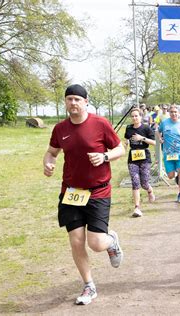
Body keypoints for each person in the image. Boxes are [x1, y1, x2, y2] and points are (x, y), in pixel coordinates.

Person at [43, 84, 125, 305]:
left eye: (77, 99)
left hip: (98, 191)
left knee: (96, 243)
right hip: (70, 192)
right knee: (76, 241)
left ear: (86, 101)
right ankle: (89, 285)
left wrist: (105, 157)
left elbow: (120, 148)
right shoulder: (60, 129)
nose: (73, 103)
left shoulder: (100, 123)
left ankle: (111, 242)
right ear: (66, 102)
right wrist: (48, 164)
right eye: (69, 99)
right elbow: (51, 152)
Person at [124, 108, 157, 217]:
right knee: (135, 181)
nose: (134, 118)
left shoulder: (146, 128)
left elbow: (154, 142)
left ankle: (149, 190)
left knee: (144, 183)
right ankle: (137, 207)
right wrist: (125, 144)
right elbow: (126, 140)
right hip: (132, 158)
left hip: (144, 158)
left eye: (136, 116)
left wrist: (141, 138)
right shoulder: (129, 128)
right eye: (132, 116)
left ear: (141, 117)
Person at [159, 105, 180, 203]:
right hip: (168, 153)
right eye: (172, 112)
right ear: (169, 113)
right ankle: (176, 175)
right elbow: (157, 131)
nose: (174, 114)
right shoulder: (164, 123)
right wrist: (160, 138)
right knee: (170, 176)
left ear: (179, 113)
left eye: (175, 112)